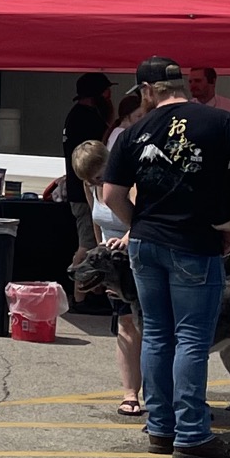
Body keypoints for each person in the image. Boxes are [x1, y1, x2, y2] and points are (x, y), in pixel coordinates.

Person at [101, 55, 230, 458]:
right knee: (192, 338)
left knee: (157, 335)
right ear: (180, 85)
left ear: (146, 91)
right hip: (196, 242)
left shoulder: (133, 131)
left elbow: (110, 195)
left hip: (145, 244)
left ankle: (161, 428)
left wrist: (138, 223)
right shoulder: (221, 121)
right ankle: (192, 433)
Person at [68, 138, 144, 419]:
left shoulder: (130, 184)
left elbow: (141, 219)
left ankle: (158, 390)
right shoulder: (91, 187)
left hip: (136, 258)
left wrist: (124, 240)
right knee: (125, 325)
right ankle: (130, 393)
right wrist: (100, 258)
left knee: (148, 329)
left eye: (100, 177)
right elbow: (96, 222)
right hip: (113, 265)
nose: (96, 184)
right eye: (90, 181)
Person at [61, 74, 114, 184]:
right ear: (96, 94)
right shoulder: (87, 119)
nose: (109, 95)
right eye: (106, 92)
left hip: (79, 187)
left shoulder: (77, 114)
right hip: (85, 191)